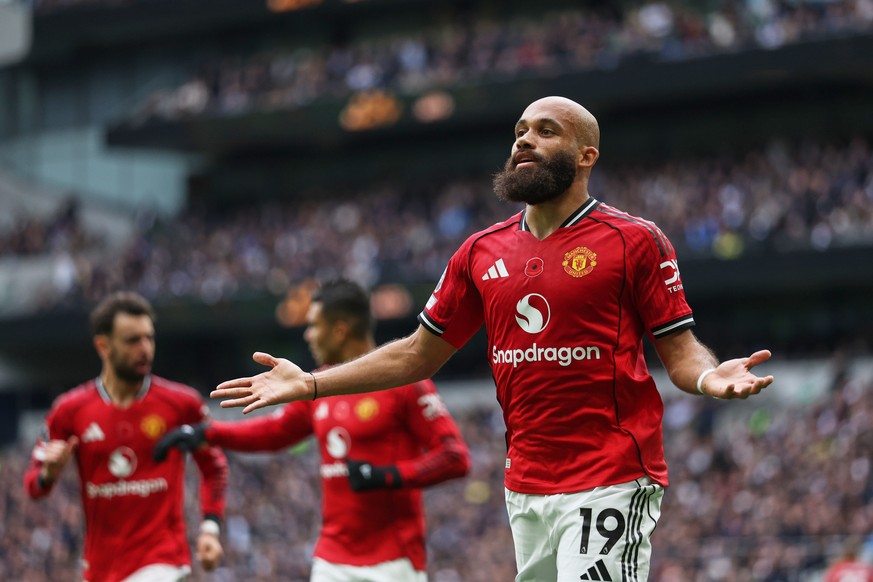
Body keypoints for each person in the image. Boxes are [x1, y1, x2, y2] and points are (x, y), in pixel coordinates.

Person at [210, 96, 775, 581]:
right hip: (525, 484)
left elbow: (679, 352)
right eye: (520, 131)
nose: (525, 140)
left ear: (586, 155)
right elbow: (417, 353)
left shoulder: (635, 240)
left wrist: (709, 375)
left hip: (611, 476)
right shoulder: (479, 252)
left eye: (546, 131)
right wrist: (312, 384)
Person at [153, 279, 471, 581]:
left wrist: (387, 476)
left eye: (314, 325)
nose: (308, 335)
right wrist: (206, 433)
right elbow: (275, 431)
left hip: (393, 561)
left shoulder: (405, 384)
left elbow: (455, 457)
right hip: (331, 560)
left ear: (340, 331)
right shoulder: (318, 386)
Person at [24, 291, 228, 582]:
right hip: (101, 569)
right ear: (103, 346)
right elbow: (33, 486)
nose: (145, 349)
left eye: (149, 338)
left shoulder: (181, 404)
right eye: (133, 340)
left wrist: (210, 529)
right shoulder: (69, 411)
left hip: (164, 561)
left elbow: (214, 465)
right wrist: (49, 473)